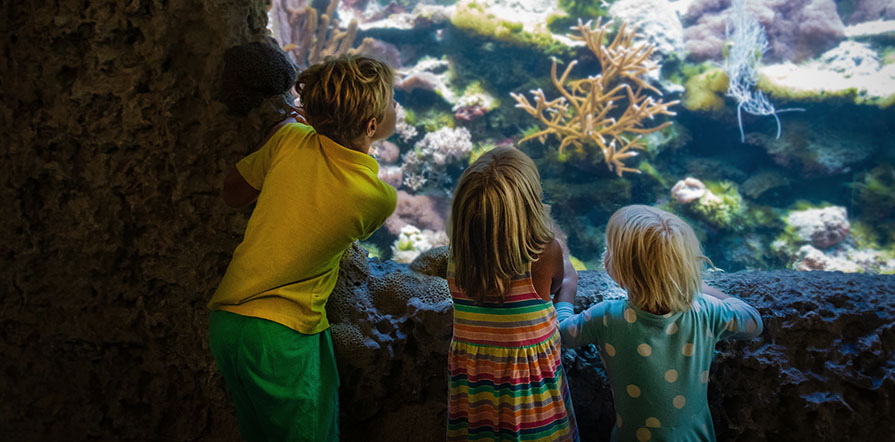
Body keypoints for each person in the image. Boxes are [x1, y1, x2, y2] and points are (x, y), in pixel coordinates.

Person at [207, 54, 398, 442]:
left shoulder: (289, 139)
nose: (397, 105)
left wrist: (282, 133)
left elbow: (232, 193)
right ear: (371, 126)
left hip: (227, 321)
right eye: (392, 101)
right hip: (282, 337)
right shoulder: (376, 198)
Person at [554, 205, 763, 441]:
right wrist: (699, 287)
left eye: (610, 250)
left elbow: (563, 334)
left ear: (620, 269)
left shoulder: (606, 317)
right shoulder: (706, 311)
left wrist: (568, 286)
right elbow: (753, 322)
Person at [446, 146, 580, 441]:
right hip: (533, 411)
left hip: (478, 406)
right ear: (531, 206)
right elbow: (564, 281)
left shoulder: (458, 256)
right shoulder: (543, 254)